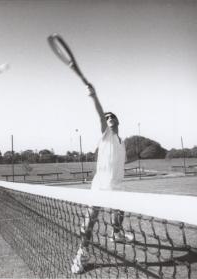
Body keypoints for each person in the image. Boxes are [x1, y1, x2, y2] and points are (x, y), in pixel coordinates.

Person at [71, 85, 133, 274]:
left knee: (120, 211)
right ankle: (82, 253)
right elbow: (100, 115)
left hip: (117, 186)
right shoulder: (106, 135)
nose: (109, 118)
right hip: (100, 186)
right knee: (91, 220)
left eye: (112, 116)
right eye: (106, 118)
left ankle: (116, 234)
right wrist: (94, 95)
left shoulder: (122, 143)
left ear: (118, 121)